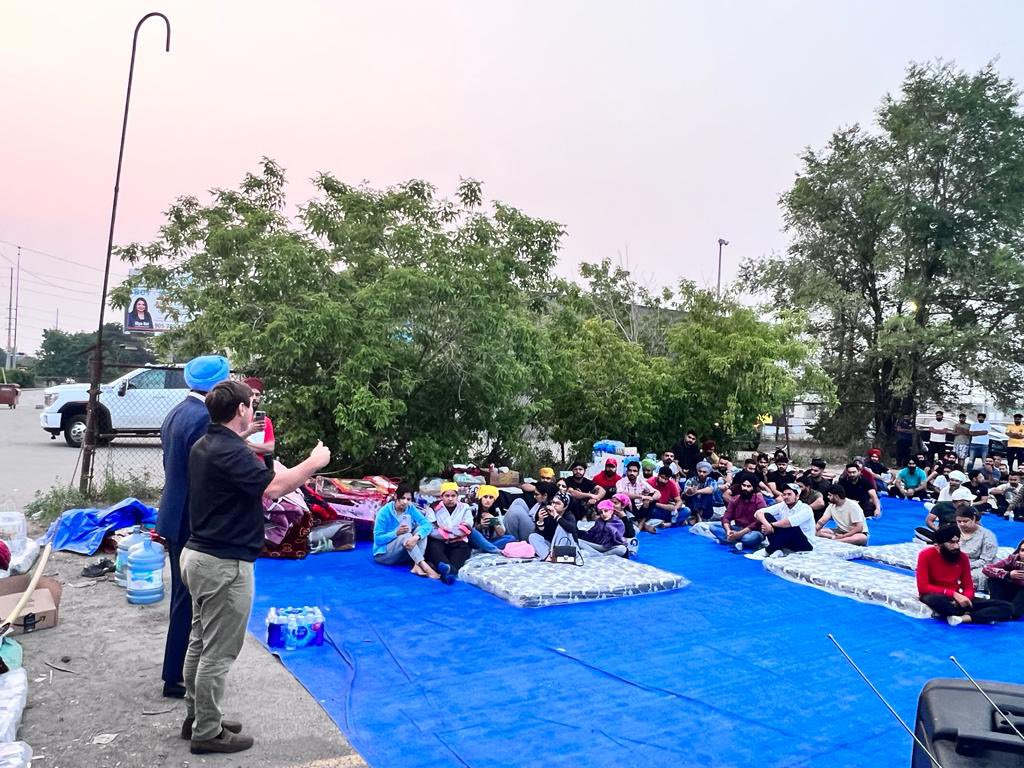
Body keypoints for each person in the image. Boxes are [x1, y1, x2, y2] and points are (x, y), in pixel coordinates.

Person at [182, 379, 330, 753]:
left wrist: (253, 443)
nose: (255, 409)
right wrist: (314, 462)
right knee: (217, 652)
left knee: (200, 641)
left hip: (200, 557)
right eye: (251, 404)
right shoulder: (229, 451)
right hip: (223, 564)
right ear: (241, 410)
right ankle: (207, 733)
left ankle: (198, 717)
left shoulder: (208, 444)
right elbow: (275, 487)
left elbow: (249, 467)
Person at [155, 354, 231, 700]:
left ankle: (178, 671)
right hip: (190, 518)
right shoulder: (203, 418)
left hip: (174, 513)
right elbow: (205, 472)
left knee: (183, 597)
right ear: (218, 385)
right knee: (190, 600)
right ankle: (176, 676)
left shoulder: (178, 411)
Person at [915, 525, 1014, 626]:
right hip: (935, 595)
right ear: (937, 545)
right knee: (940, 602)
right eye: (951, 542)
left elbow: (968, 586)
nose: (956, 546)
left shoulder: (962, 557)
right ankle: (978, 615)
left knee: (1007, 607)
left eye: (957, 542)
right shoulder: (925, 555)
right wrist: (954, 594)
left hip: (958, 599)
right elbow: (923, 587)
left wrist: (966, 598)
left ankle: (964, 618)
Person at [373, 484, 441, 579]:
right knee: (406, 535)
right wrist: (396, 533)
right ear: (396, 496)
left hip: (403, 553)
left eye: (408, 499)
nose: (405, 502)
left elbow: (427, 525)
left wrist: (417, 537)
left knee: (420, 530)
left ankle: (416, 566)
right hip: (384, 554)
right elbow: (378, 539)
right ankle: (424, 566)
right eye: (402, 498)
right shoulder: (384, 512)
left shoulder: (410, 508)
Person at [745, 484, 815, 559]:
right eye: (784, 494)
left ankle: (768, 550)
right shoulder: (782, 505)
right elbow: (758, 513)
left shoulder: (806, 509)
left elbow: (788, 523)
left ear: (797, 496)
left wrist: (771, 525)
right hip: (786, 541)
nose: (786, 497)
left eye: (789, 494)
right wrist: (766, 524)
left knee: (793, 528)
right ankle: (778, 549)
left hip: (804, 544)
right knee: (766, 516)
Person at [425, 482, 474, 582]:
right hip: (439, 541)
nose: (450, 499)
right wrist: (450, 534)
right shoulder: (433, 508)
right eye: (447, 496)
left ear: (457, 496)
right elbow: (431, 528)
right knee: (433, 547)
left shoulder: (465, 507)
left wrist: (447, 533)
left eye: (453, 496)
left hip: (459, 541)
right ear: (441, 497)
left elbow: (467, 526)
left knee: (464, 549)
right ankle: (449, 572)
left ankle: (446, 571)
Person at [710, 477, 766, 551]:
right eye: (743, 485)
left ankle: (732, 540)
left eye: (748, 486)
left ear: (753, 488)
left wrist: (739, 534)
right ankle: (736, 541)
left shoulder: (759, 500)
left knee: (752, 538)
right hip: (738, 528)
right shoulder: (735, 499)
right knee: (713, 527)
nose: (745, 488)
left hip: (753, 531)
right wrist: (728, 531)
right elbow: (726, 517)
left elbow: (757, 523)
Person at [955, 506, 999, 590]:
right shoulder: (953, 531)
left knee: (975, 576)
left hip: (979, 565)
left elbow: (986, 560)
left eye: (965, 521)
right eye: (959, 521)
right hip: (956, 563)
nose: (962, 524)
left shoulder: (987, 535)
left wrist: (965, 566)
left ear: (974, 519)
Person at [528, 492, 579, 560]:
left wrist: (556, 516)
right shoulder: (548, 513)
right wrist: (540, 520)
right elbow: (543, 533)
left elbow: (571, 529)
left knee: (561, 527)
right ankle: (548, 557)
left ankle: (557, 555)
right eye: (553, 502)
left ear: (565, 506)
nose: (554, 505)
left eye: (558, 503)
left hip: (568, 546)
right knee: (533, 536)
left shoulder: (569, 516)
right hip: (552, 545)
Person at [982, 538, 1024, 619]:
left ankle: (1011, 612)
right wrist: (1008, 574)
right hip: (1012, 590)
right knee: (994, 580)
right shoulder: (1013, 559)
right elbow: (987, 569)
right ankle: (997, 606)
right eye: (1022, 550)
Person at [470, 485, 515, 554]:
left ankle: (485, 548)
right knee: (472, 532)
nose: (488, 500)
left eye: (491, 497)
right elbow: (470, 532)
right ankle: (490, 548)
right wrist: (480, 526)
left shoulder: (496, 510)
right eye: (485, 497)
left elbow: (501, 533)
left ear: (494, 500)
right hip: (477, 541)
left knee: (511, 538)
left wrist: (494, 521)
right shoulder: (474, 509)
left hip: (489, 541)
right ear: (481, 498)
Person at [242, 377, 275, 468]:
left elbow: (270, 447)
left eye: (257, 395)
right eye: (251, 394)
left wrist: (246, 445)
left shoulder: (266, 421)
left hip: (260, 467)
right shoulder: (236, 417)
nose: (254, 398)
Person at [615, 461, 656, 530]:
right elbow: (621, 493)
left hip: (640, 508)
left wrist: (650, 498)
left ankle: (641, 523)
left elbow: (657, 493)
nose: (632, 473)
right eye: (630, 470)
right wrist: (642, 497)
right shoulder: (620, 482)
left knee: (653, 499)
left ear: (638, 473)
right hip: (629, 508)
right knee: (627, 498)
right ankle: (643, 524)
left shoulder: (641, 482)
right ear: (626, 471)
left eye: (635, 471)